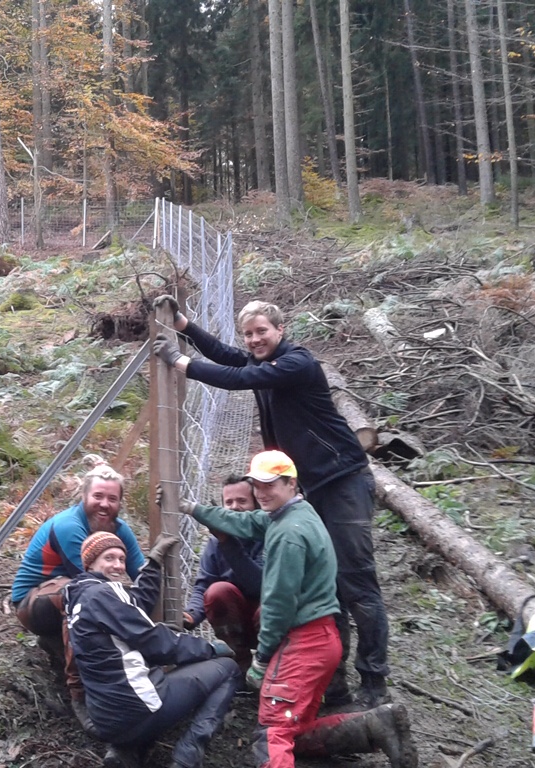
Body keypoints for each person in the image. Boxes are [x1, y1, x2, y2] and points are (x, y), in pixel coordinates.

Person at [152, 294, 391, 708]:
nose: (254, 339)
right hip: (308, 489)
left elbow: (237, 377)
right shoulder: (264, 361)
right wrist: (187, 327)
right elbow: (230, 357)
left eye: (262, 331)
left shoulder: (297, 363)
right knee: (326, 586)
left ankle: (374, 681)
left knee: (356, 584)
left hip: (341, 481)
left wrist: (180, 362)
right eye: (248, 334)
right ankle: (334, 684)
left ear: (280, 330)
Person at [166, 451, 416, 768]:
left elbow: (278, 604)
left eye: (270, 485)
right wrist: (195, 510)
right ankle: (374, 726)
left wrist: (263, 659)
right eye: (257, 485)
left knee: (273, 731)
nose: (261, 493)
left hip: (303, 643)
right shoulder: (297, 514)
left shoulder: (288, 536)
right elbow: (246, 521)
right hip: (323, 639)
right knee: (293, 728)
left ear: (291, 483)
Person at [64, 531, 241, 768]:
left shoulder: (78, 599)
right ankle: (188, 755)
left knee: (151, 680)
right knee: (229, 669)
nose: (117, 565)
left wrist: (154, 563)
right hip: (138, 710)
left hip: (105, 720)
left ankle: (125, 750)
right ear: (90, 563)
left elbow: (137, 602)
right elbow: (157, 644)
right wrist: (209, 648)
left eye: (121, 559)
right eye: (109, 558)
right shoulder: (104, 593)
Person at [11, 456, 147, 729]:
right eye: (98, 496)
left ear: (120, 502)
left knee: (98, 599)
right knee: (85, 596)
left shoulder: (121, 531)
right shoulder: (68, 526)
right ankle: (79, 693)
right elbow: (91, 584)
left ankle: (60, 644)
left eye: (112, 498)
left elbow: (142, 574)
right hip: (34, 602)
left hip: (72, 594)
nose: (104, 504)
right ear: (84, 496)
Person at [183, 474, 264, 669]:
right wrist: (192, 614)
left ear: (257, 505)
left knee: (270, 607)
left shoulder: (269, 535)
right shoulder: (215, 543)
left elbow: (260, 585)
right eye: (229, 502)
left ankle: (270, 665)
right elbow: (204, 584)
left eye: (242, 501)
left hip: (269, 621)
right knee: (217, 591)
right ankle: (240, 662)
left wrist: (228, 543)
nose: (235, 507)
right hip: (235, 618)